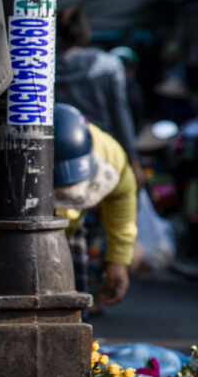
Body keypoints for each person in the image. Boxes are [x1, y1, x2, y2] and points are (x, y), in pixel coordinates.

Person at [53, 103, 138, 311]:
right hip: (9, 234)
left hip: (69, 232)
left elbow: (122, 205)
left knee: (72, 313)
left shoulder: (109, 155)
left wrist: (118, 262)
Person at [55, 7, 144, 187]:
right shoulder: (108, 65)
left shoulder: (47, 69)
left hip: (61, 155)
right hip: (105, 155)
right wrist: (133, 160)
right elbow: (121, 116)